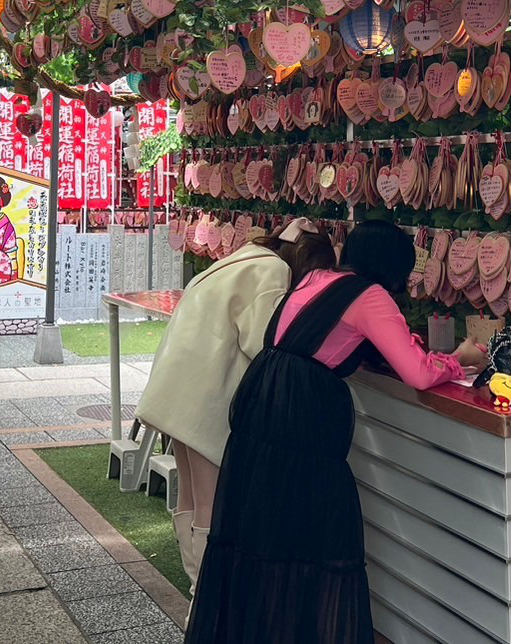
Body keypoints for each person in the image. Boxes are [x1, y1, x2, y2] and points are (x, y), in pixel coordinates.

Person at [184, 220, 486, 644]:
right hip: (304, 413)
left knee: (260, 529)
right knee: (315, 532)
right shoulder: (371, 296)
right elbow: (418, 372)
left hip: (264, 397)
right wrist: (459, 358)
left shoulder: (316, 278)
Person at [137, 220, 336, 592]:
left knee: (191, 496)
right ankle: (206, 598)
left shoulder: (242, 258)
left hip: (176, 389)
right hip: (205, 398)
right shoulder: (273, 271)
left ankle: (197, 590)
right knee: (212, 505)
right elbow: (263, 343)